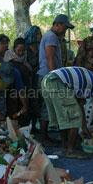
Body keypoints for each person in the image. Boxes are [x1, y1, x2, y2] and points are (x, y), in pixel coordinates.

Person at [41, 67, 93, 157]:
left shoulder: (87, 80)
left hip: (47, 80)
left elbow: (79, 105)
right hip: (56, 81)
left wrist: (84, 127)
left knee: (63, 117)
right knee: (74, 117)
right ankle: (70, 150)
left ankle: (65, 147)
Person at [37, 14, 74, 142]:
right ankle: (43, 136)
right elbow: (50, 58)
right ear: (57, 24)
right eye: (65, 27)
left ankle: (44, 136)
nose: (65, 30)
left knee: (48, 105)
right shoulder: (51, 37)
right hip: (48, 75)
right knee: (48, 105)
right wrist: (54, 76)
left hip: (46, 75)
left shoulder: (51, 36)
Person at [4, 38, 31, 122]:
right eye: (19, 50)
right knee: (12, 105)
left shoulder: (24, 55)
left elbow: (26, 65)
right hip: (11, 85)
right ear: (14, 48)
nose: (21, 53)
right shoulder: (8, 54)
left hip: (22, 83)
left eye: (23, 50)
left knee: (22, 105)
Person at [24, 25, 42, 130]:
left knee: (37, 102)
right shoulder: (26, 48)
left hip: (37, 78)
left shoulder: (41, 47)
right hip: (28, 80)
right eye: (38, 34)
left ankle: (34, 125)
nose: (40, 36)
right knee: (29, 102)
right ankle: (27, 127)